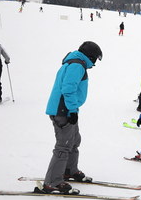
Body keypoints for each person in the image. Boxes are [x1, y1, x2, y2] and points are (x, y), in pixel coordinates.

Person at [41, 41, 102, 194]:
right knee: (63, 146)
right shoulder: (77, 65)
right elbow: (68, 88)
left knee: (74, 141)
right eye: (95, 59)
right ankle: (53, 182)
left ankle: (69, 170)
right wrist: (72, 110)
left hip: (66, 109)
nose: (94, 64)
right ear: (90, 56)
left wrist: (73, 110)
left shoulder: (75, 62)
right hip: (64, 111)